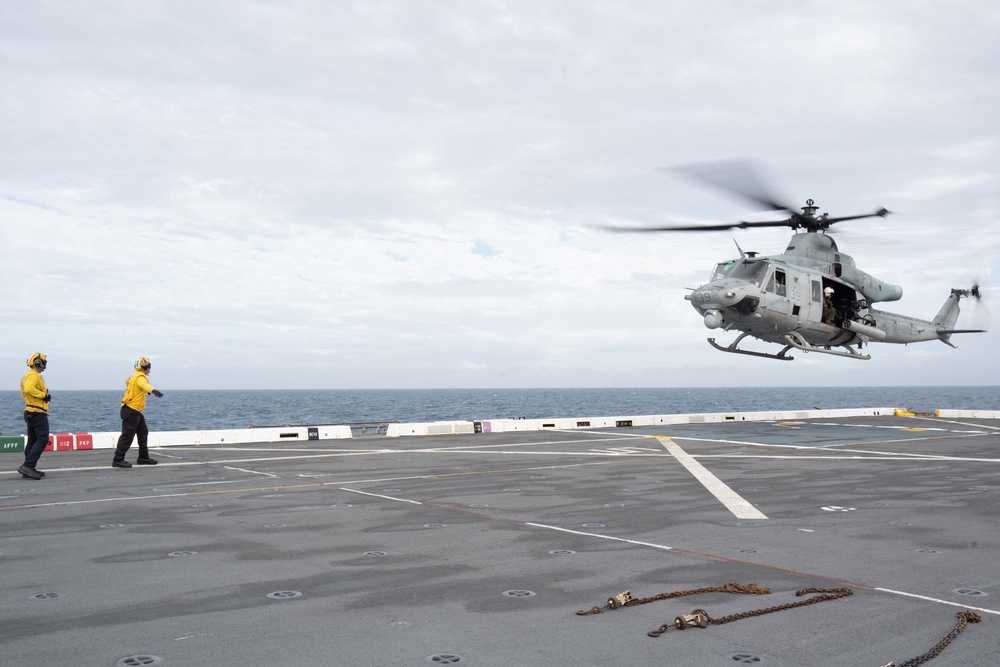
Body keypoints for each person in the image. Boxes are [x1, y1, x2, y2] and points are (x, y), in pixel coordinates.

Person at [112, 357, 164, 468]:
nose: (150, 368)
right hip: (131, 410)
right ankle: (118, 459)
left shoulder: (133, 376)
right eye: (149, 366)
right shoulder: (140, 377)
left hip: (134, 411)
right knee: (127, 436)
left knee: (143, 432)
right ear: (145, 367)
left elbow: (138, 388)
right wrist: (153, 390)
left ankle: (143, 457)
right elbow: (143, 385)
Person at [19, 353, 51, 480]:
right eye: (43, 362)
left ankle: (28, 468)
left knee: (32, 441)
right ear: (37, 362)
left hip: (30, 412)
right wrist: (43, 395)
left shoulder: (28, 375)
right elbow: (28, 389)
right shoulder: (33, 375)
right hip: (37, 413)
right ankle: (28, 465)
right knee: (42, 439)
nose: (44, 366)